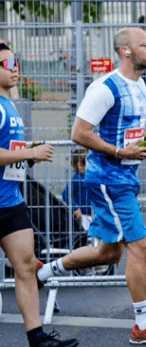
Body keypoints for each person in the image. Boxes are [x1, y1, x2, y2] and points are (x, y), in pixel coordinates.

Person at [36, 28, 146, 345]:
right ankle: (143, 324)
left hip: (125, 177)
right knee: (140, 246)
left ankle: (43, 272)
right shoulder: (105, 88)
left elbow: (127, 133)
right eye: (144, 45)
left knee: (108, 252)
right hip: (108, 180)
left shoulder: (140, 84)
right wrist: (119, 152)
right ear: (125, 50)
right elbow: (79, 133)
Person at [0, 44, 77, 347]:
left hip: (11, 201)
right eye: (8, 63)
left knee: (26, 266)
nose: (15, 68)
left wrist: (27, 152)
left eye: (16, 62)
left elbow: (9, 150)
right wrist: (30, 152)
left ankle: (38, 338)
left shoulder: (9, 105)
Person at [60, 148, 90, 227]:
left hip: (93, 214)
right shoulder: (77, 178)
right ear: (79, 165)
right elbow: (65, 194)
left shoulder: (91, 178)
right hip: (83, 215)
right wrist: (75, 208)